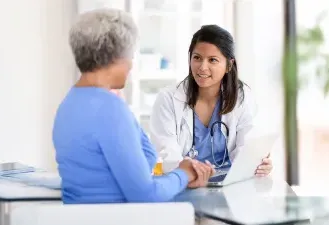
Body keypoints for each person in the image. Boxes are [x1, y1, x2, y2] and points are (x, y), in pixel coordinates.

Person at [52, 9, 214, 204]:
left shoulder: (69, 103)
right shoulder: (109, 110)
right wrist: (184, 173)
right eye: (130, 55)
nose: (131, 65)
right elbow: (146, 195)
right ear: (114, 57)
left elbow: (145, 162)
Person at [150, 25, 272, 176]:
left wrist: (258, 164)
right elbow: (166, 153)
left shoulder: (242, 98)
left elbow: (247, 149)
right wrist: (191, 175)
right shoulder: (168, 99)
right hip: (184, 182)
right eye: (197, 58)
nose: (202, 67)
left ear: (229, 65)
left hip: (230, 184)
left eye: (212, 60)